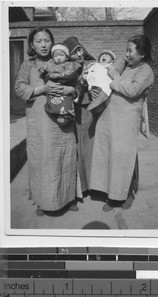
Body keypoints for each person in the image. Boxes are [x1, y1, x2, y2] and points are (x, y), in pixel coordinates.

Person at [15, 27, 78, 216]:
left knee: (64, 157)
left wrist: (71, 91)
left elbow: (78, 86)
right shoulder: (29, 64)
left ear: (53, 43)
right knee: (42, 160)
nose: (43, 44)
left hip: (62, 119)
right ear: (32, 45)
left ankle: (68, 198)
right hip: (39, 120)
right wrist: (41, 89)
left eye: (47, 40)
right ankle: (43, 201)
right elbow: (19, 88)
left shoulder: (65, 62)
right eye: (38, 41)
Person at [89, 35, 154, 212]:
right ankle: (112, 193)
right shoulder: (125, 66)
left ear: (142, 53)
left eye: (130, 50)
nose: (126, 54)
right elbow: (106, 78)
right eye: (126, 50)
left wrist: (115, 77)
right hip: (110, 116)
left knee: (124, 156)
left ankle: (126, 194)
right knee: (109, 155)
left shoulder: (145, 71)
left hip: (126, 119)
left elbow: (133, 91)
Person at [63, 36, 96, 198]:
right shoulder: (68, 68)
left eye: (80, 49)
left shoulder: (91, 65)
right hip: (74, 109)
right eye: (74, 52)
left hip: (89, 109)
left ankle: (93, 184)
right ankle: (81, 186)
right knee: (78, 148)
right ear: (69, 56)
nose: (79, 54)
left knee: (90, 147)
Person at [39, 43, 82, 127]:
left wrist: (59, 75)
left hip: (64, 82)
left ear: (66, 57)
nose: (58, 57)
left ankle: (66, 116)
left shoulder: (68, 64)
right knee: (53, 101)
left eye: (61, 55)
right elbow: (45, 67)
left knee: (65, 102)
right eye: (55, 56)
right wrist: (42, 69)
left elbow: (70, 73)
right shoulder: (50, 63)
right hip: (52, 84)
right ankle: (54, 112)